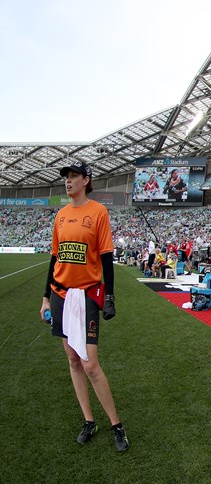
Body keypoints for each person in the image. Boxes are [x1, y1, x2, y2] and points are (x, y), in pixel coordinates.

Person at [38, 160, 128, 452]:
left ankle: (117, 425)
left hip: (87, 294)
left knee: (90, 364)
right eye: (66, 177)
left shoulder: (98, 212)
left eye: (74, 176)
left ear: (86, 180)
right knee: (73, 360)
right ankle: (89, 421)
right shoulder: (61, 215)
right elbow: (54, 258)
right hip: (60, 295)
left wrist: (110, 296)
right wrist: (44, 298)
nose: (68, 181)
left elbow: (106, 257)